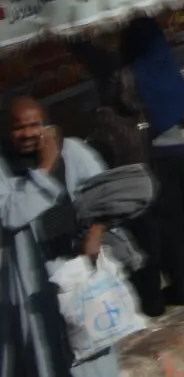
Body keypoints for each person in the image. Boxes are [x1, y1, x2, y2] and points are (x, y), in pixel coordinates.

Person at [2, 95, 119, 377]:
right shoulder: (4, 167)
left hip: (81, 276)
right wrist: (44, 169)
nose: (28, 133)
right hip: (34, 283)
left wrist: (96, 232)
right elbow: (10, 215)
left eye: (34, 125)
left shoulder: (73, 152)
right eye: (20, 128)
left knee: (93, 357)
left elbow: (107, 196)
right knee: (46, 357)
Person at [116, 19, 184, 317]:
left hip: (149, 159)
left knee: (160, 229)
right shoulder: (166, 65)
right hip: (177, 153)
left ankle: (172, 292)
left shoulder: (128, 76)